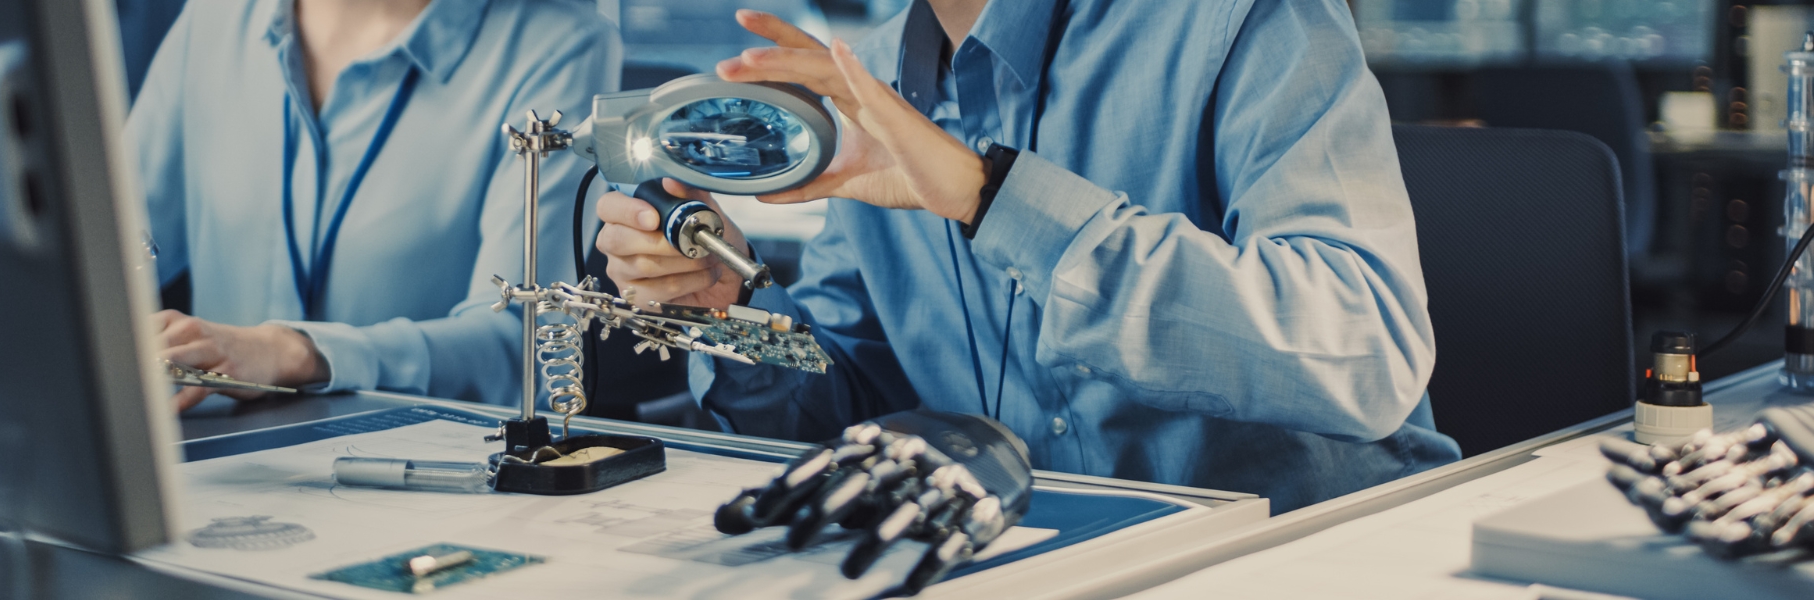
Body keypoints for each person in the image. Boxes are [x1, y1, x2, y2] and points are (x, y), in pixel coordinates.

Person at [595, 0, 1461, 511]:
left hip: (1309, 555)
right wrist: (730, 313)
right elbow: (854, 401)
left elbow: (1369, 353)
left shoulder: (1241, 20)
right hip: (1038, 563)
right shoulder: (872, 79)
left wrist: (988, 196)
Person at [128, 0, 619, 410]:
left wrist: (300, 353)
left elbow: (526, 342)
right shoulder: (214, 17)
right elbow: (105, 252)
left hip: (409, 475)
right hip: (204, 468)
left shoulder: (561, 44)